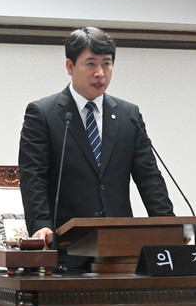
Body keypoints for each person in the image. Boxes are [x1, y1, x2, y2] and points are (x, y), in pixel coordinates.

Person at [18, 26, 174, 267]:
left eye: (107, 64)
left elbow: (149, 177)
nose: (100, 73)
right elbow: (33, 177)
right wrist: (41, 225)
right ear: (70, 67)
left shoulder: (128, 115)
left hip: (121, 249)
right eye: (91, 64)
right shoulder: (43, 114)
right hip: (66, 247)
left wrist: (168, 226)